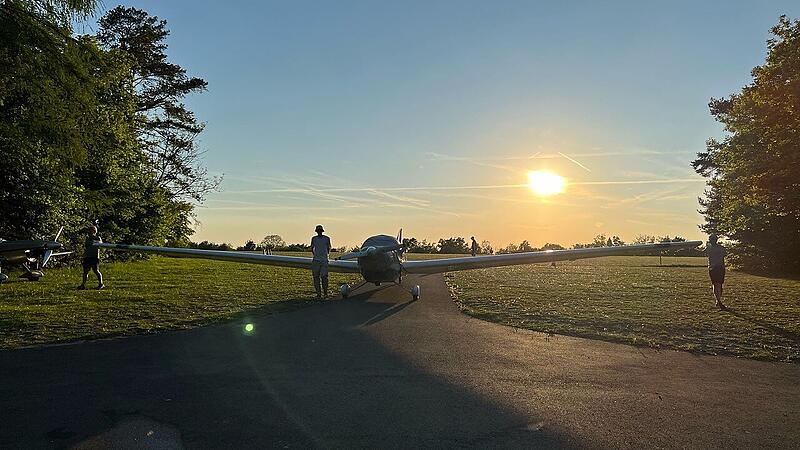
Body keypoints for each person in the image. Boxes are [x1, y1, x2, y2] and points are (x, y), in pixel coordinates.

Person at [78, 225, 104, 290]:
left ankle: (101, 284)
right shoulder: (87, 238)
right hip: (87, 257)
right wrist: (84, 255)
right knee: (85, 271)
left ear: (94, 231)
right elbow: (86, 246)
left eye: (90, 230)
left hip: (94, 257)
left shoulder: (97, 238)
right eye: (88, 230)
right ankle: (83, 285)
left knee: (96, 271)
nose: (89, 232)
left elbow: (100, 245)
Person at [310, 224, 331, 299]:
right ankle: (318, 293)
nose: (319, 232)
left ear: (322, 231)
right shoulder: (314, 239)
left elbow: (329, 247)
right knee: (316, 277)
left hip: (324, 260)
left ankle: (325, 292)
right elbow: (312, 247)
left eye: (320, 230)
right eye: (318, 230)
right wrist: (315, 255)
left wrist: (326, 256)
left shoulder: (327, 238)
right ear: (316, 231)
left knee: (324, 276)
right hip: (316, 260)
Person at [706, 234, 726, 310]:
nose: (710, 240)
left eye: (712, 239)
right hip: (712, 268)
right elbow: (702, 252)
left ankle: (718, 300)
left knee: (719, 285)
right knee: (716, 284)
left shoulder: (721, 248)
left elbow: (721, 258)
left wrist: (714, 264)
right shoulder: (709, 247)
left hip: (719, 268)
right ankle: (718, 301)